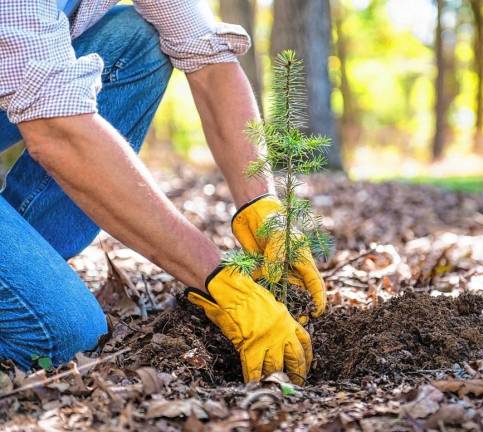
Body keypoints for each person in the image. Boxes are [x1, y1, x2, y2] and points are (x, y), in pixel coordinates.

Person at [0, 1, 326, 385]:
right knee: (58, 332)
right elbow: (59, 132)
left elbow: (208, 55)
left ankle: (22, 272)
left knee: (138, 38)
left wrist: (262, 204)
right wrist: (216, 277)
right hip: (45, 115)